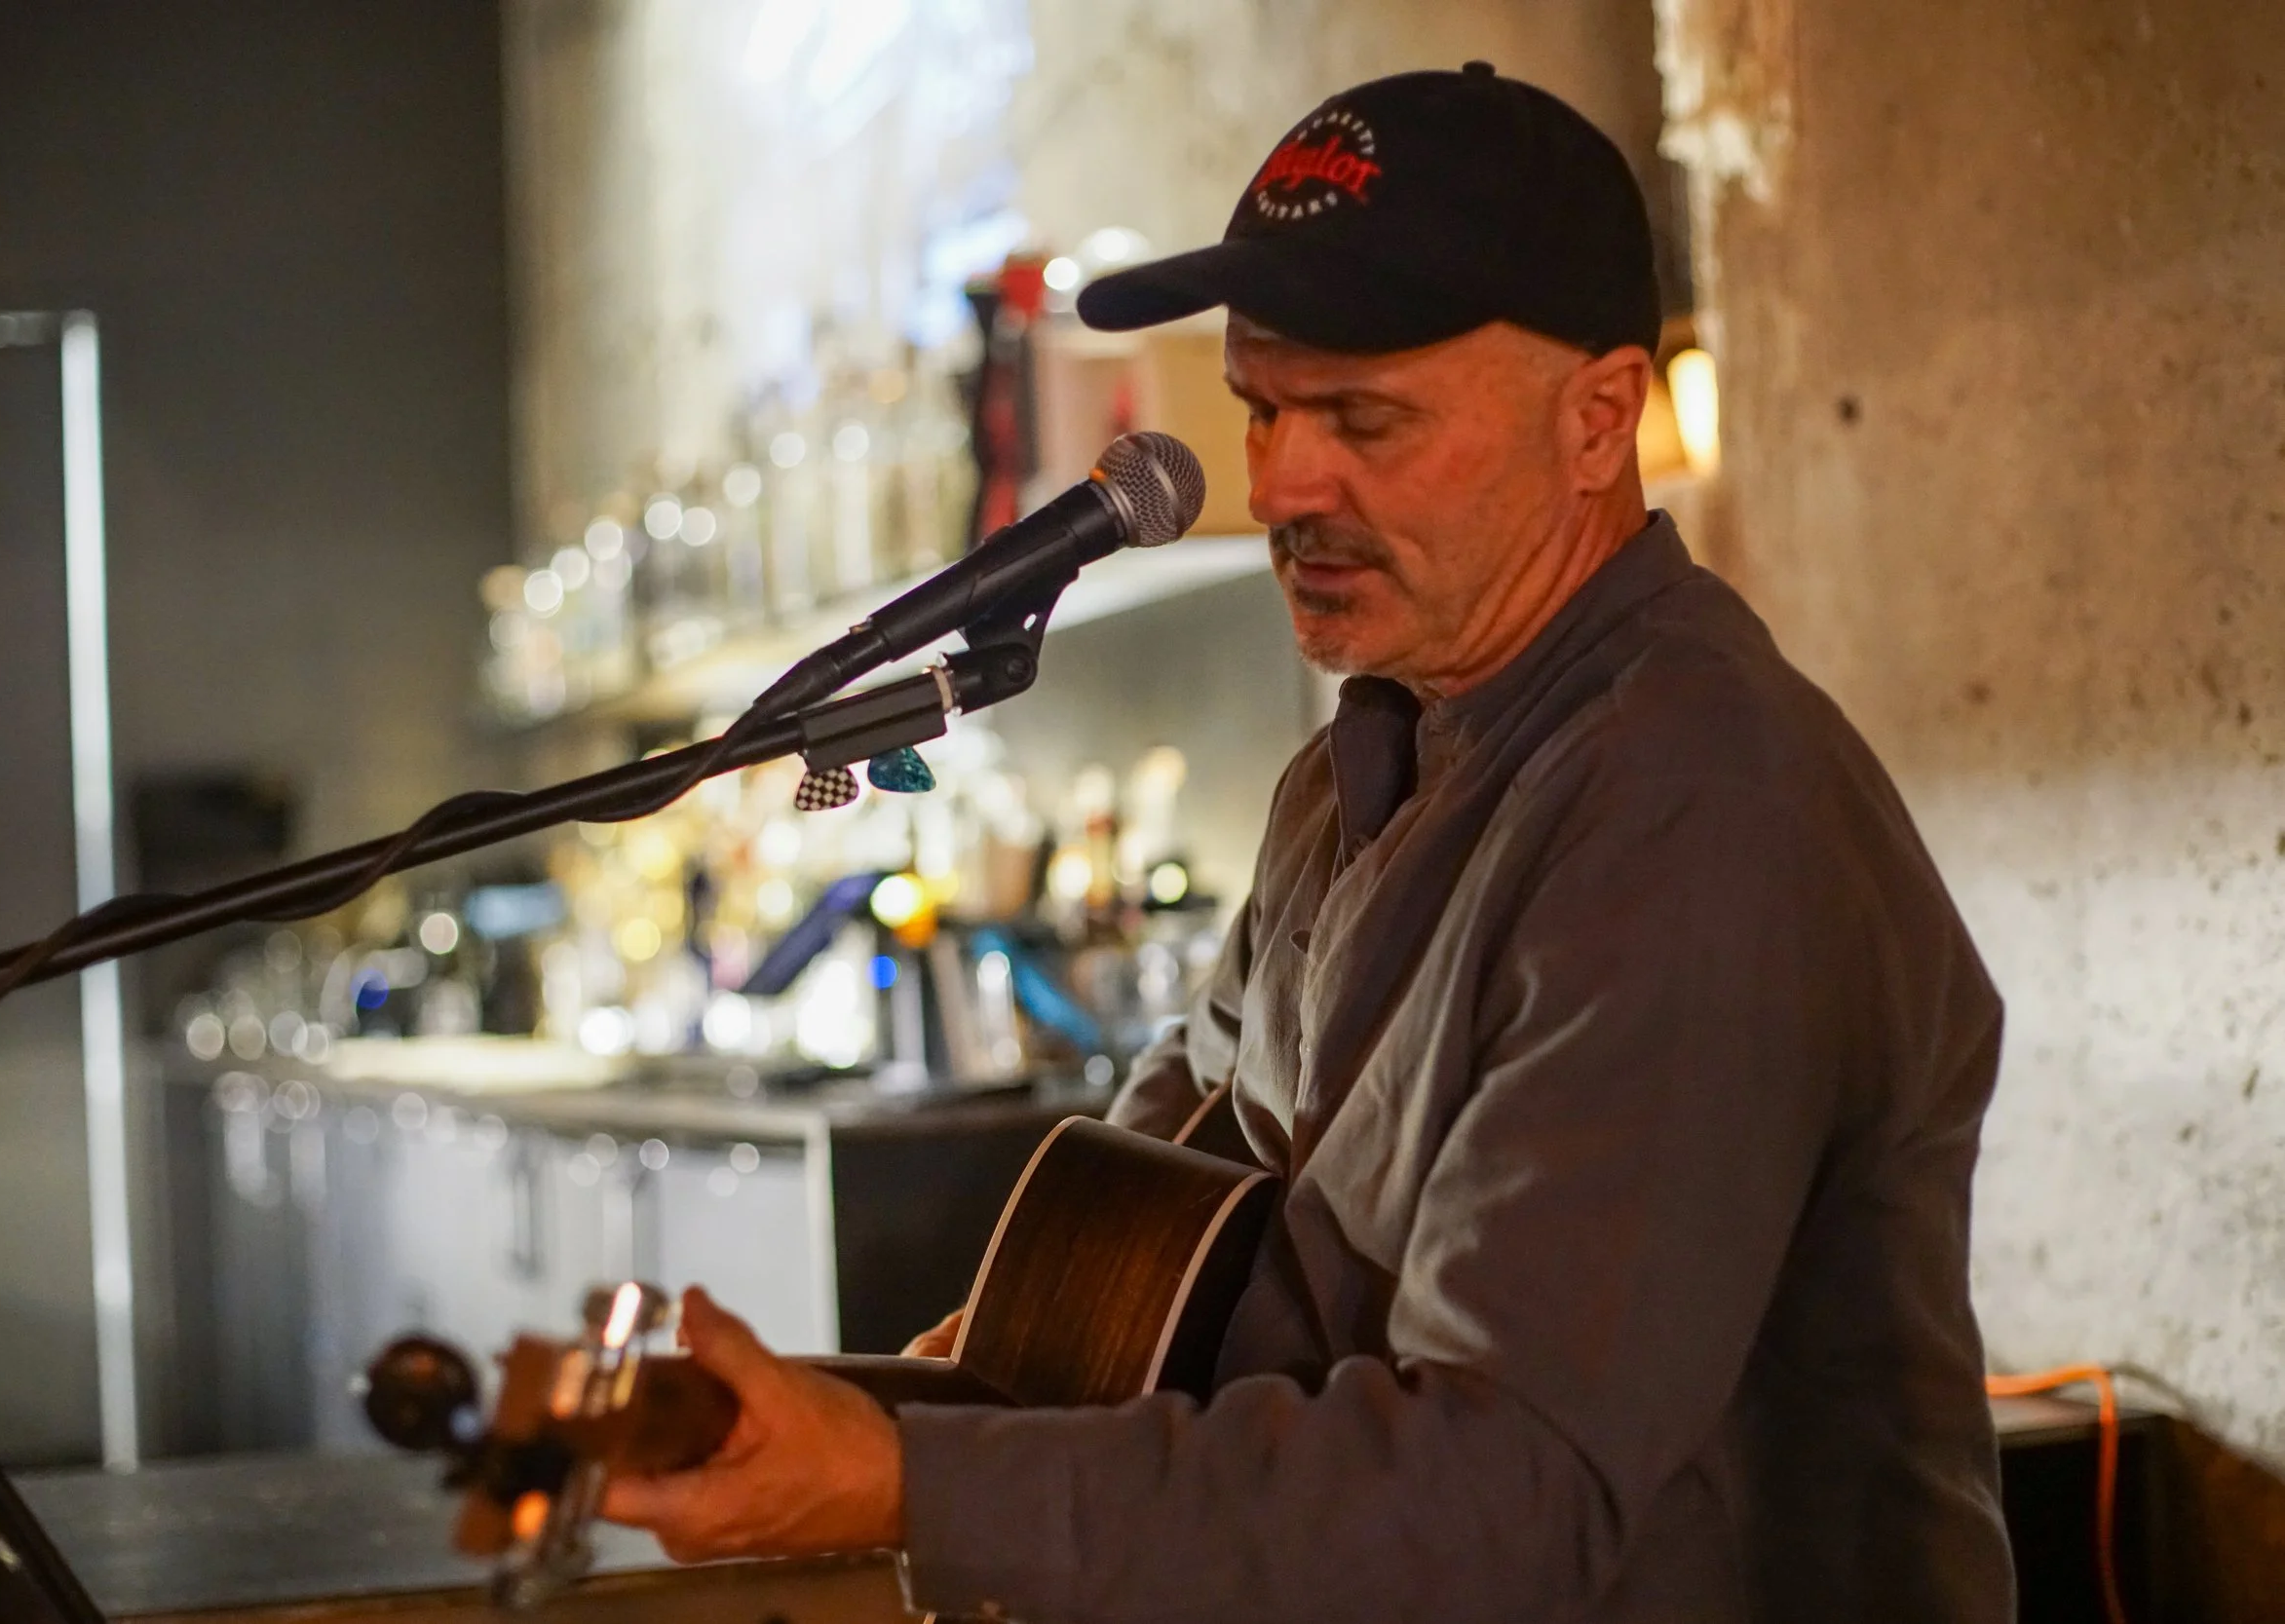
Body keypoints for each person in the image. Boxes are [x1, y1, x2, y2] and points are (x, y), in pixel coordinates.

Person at [605, 64, 2017, 1623]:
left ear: (1600, 419)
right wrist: (904, 1403)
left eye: (1365, 418)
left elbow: (1505, 1496)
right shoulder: (1349, 776)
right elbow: (1162, 1252)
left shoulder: (1693, 810)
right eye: (1265, 407)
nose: (1279, 483)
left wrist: (914, 1480)